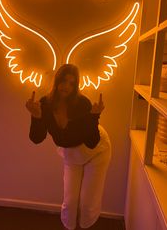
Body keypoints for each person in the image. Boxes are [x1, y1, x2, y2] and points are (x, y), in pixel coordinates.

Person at [26, 64, 111, 230]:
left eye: (72, 83)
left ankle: (87, 226)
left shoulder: (82, 103)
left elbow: (92, 141)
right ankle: (69, 227)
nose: (67, 86)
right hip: (71, 152)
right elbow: (37, 138)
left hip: (96, 151)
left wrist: (94, 116)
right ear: (57, 81)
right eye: (64, 81)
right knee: (70, 201)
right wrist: (36, 116)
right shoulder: (45, 104)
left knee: (88, 202)